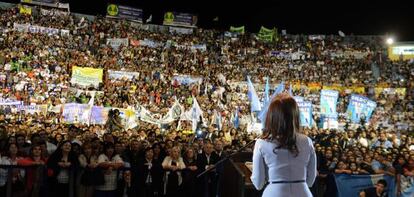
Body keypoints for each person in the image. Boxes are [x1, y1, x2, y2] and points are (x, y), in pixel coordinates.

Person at [251, 93, 317, 197]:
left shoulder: (261, 143)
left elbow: (258, 183)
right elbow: (310, 181)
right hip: (303, 192)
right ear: (295, 115)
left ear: (271, 116)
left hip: (274, 193)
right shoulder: (307, 141)